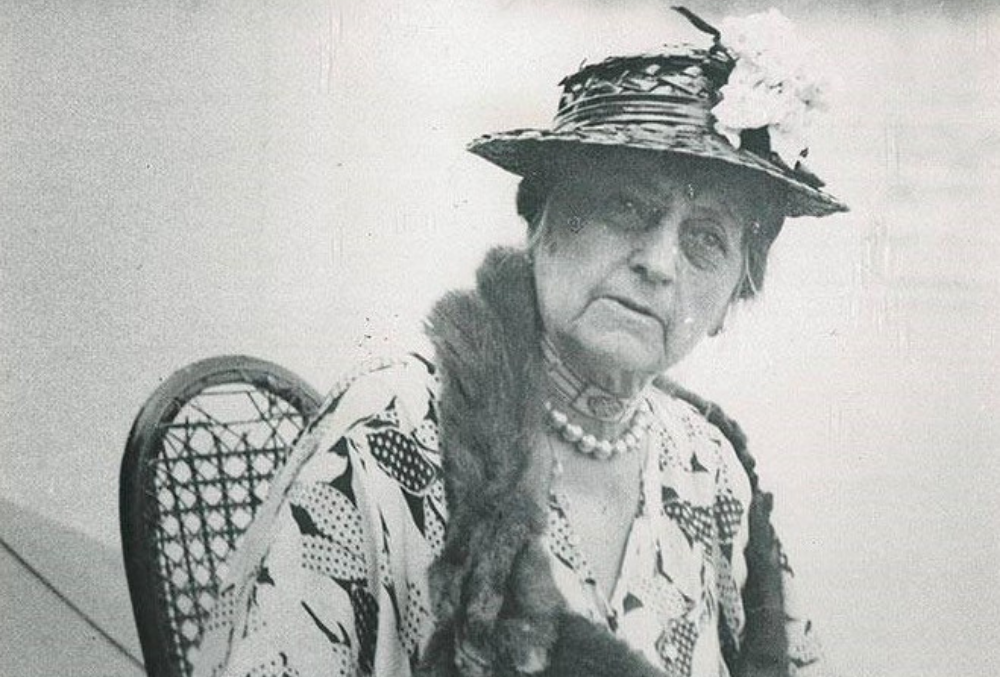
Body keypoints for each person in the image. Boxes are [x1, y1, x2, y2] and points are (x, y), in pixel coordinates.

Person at [193, 8, 847, 677]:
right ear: (540, 220)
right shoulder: (390, 431)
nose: (659, 261)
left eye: (705, 238)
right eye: (626, 206)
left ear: (731, 302)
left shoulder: (711, 472)